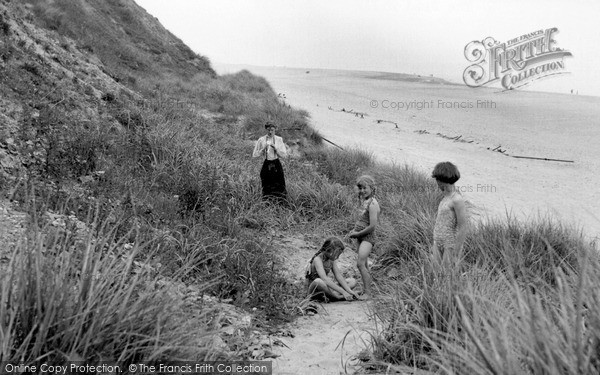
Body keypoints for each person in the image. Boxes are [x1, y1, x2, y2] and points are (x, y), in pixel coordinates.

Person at [348, 175, 380, 300]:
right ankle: (366, 289)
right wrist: (355, 230)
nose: (362, 191)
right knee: (364, 265)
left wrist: (358, 234)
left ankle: (368, 293)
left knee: (360, 264)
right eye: (360, 188)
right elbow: (362, 220)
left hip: (368, 237)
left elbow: (372, 226)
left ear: (372, 188)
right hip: (360, 236)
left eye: (365, 188)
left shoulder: (373, 204)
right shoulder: (365, 201)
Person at [431, 162, 468, 267]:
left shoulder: (457, 199)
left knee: (446, 276)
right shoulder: (445, 197)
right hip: (438, 241)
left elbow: (463, 227)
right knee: (435, 275)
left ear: (442, 181)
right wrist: (435, 242)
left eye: (437, 180)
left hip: (449, 244)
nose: (437, 184)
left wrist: (456, 252)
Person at [305, 237, 359, 302]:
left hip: (325, 289)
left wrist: (349, 291)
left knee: (352, 281)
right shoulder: (317, 259)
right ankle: (336, 297)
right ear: (328, 250)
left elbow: (338, 276)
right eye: (337, 254)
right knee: (318, 281)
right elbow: (325, 279)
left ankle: (334, 295)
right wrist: (343, 292)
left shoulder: (331, 260)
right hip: (315, 290)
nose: (337, 257)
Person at [252, 121, 288, 201]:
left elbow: (284, 155)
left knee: (279, 183)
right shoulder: (261, 140)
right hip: (267, 163)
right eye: (268, 130)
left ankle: (280, 202)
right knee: (266, 182)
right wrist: (263, 149)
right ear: (266, 129)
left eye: (272, 130)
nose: (270, 132)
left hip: (276, 163)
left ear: (275, 129)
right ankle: (267, 202)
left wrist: (276, 149)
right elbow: (255, 154)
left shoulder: (279, 139)